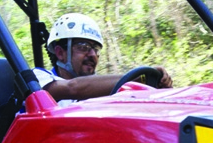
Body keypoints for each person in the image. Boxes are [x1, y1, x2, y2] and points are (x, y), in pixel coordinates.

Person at [33, 12, 173, 103]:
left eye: (95, 49)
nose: (92, 55)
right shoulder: (39, 79)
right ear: (60, 53)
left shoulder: (99, 90)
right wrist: (140, 77)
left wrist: (158, 89)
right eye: (83, 46)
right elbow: (73, 88)